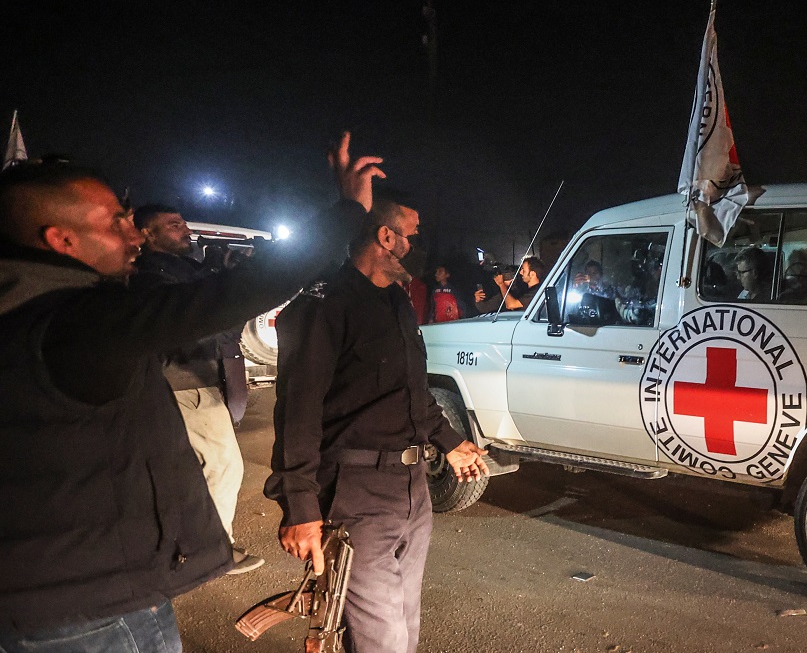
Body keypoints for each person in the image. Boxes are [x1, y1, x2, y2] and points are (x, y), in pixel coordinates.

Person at [0, 132, 376, 652]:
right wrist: (348, 209)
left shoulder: (23, 305)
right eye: (116, 223)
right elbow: (244, 288)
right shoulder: (79, 322)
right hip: (92, 609)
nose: (134, 238)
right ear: (61, 240)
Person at [265, 187, 490, 652]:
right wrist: (300, 507)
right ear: (387, 237)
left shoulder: (397, 303)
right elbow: (297, 412)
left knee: (404, 628)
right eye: (414, 234)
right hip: (356, 493)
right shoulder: (326, 304)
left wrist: (450, 441)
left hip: (411, 490)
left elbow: (410, 393)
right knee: (380, 639)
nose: (421, 245)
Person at [131, 203, 263, 576]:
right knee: (224, 465)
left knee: (188, 470)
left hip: (193, 378)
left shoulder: (183, 271)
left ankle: (185, 547)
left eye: (184, 224)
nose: (185, 230)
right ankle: (212, 550)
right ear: (147, 235)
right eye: (173, 225)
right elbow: (201, 323)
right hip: (185, 381)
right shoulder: (152, 276)